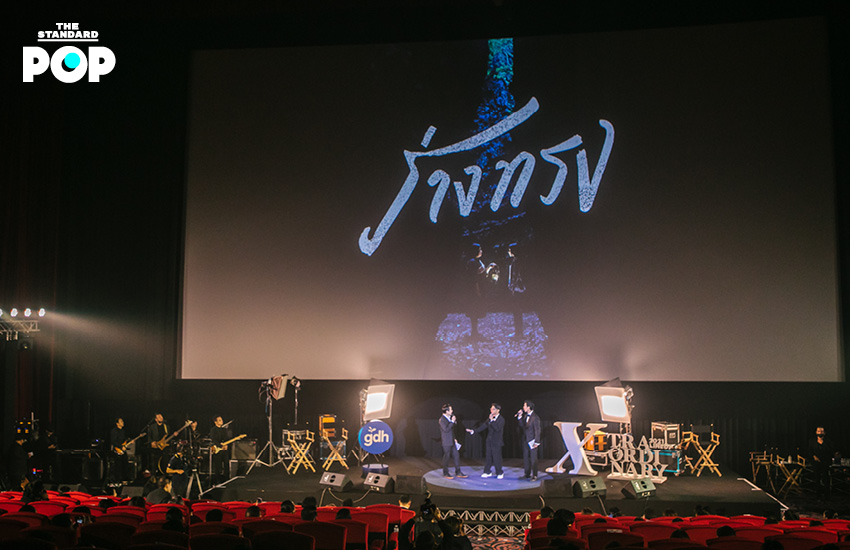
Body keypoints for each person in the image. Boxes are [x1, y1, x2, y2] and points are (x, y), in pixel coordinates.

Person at [466, 403, 505, 479]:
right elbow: (483, 426)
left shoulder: (501, 419)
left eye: (493, 409)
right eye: (491, 408)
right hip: (489, 441)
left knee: (497, 458)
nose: (491, 410)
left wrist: (492, 420)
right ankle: (487, 471)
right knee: (488, 457)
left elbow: (497, 429)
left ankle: (499, 472)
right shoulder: (490, 418)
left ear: (498, 410)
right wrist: (473, 431)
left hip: (497, 442)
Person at [439, 404, 467, 479]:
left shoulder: (449, 418)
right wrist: (452, 421)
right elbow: (446, 429)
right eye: (451, 409)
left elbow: (452, 430)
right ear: (446, 411)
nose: (452, 411)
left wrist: (454, 438)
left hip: (452, 441)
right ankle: (445, 472)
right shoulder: (442, 420)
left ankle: (458, 472)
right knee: (447, 457)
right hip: (446, 442)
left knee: (456, 455)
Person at [517, 400, 541, 481]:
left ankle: (534, 475)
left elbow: (537, 430)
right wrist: (520, 417)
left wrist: (537, 441)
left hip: (532, 440)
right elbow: (522, 426)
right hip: (525, 439)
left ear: (529, 407)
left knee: (533, 458)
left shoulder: (535, 417)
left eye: (524, 406)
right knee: (526, 457)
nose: (523, 407)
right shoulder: (525, 416)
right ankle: (527, 473)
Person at [809, 426, 833, 501]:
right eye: (819, 431)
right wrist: (814, 456)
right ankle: (818, 495)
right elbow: (809, 451)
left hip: (825, 462)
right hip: (816, 462)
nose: (820, 432)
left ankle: (827, 496)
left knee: (826, 479)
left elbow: (830, 451)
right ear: (816, 432)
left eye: (822, 431)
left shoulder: (828, 441)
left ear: (824, 433)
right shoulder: (812, 441)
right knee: (817, 479)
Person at [106, 417, 129, 491]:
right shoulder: (114, 431)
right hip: (117, 450)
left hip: (123, 450)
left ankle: (124, 480)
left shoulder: (123, 431)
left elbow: (124, 441)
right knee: (118, 466)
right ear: (117, 423)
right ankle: (117, 481)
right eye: (121, 421)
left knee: (125, 464)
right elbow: (113, 441)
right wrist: (121, 447)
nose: (123, 422)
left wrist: (128, 443)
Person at [209, 416, 232, 485]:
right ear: (215, 422)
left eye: (221, 420)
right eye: (219, 420)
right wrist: (220, 445)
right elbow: (213, 439)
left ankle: (227, 480)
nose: (221, 421)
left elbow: (226, 439)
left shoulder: (224, 430)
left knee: (226, 464)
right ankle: (218, 481)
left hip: (224, 450)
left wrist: (226, 445)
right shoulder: (213, 430)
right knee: (218, 466)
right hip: (217, 449)